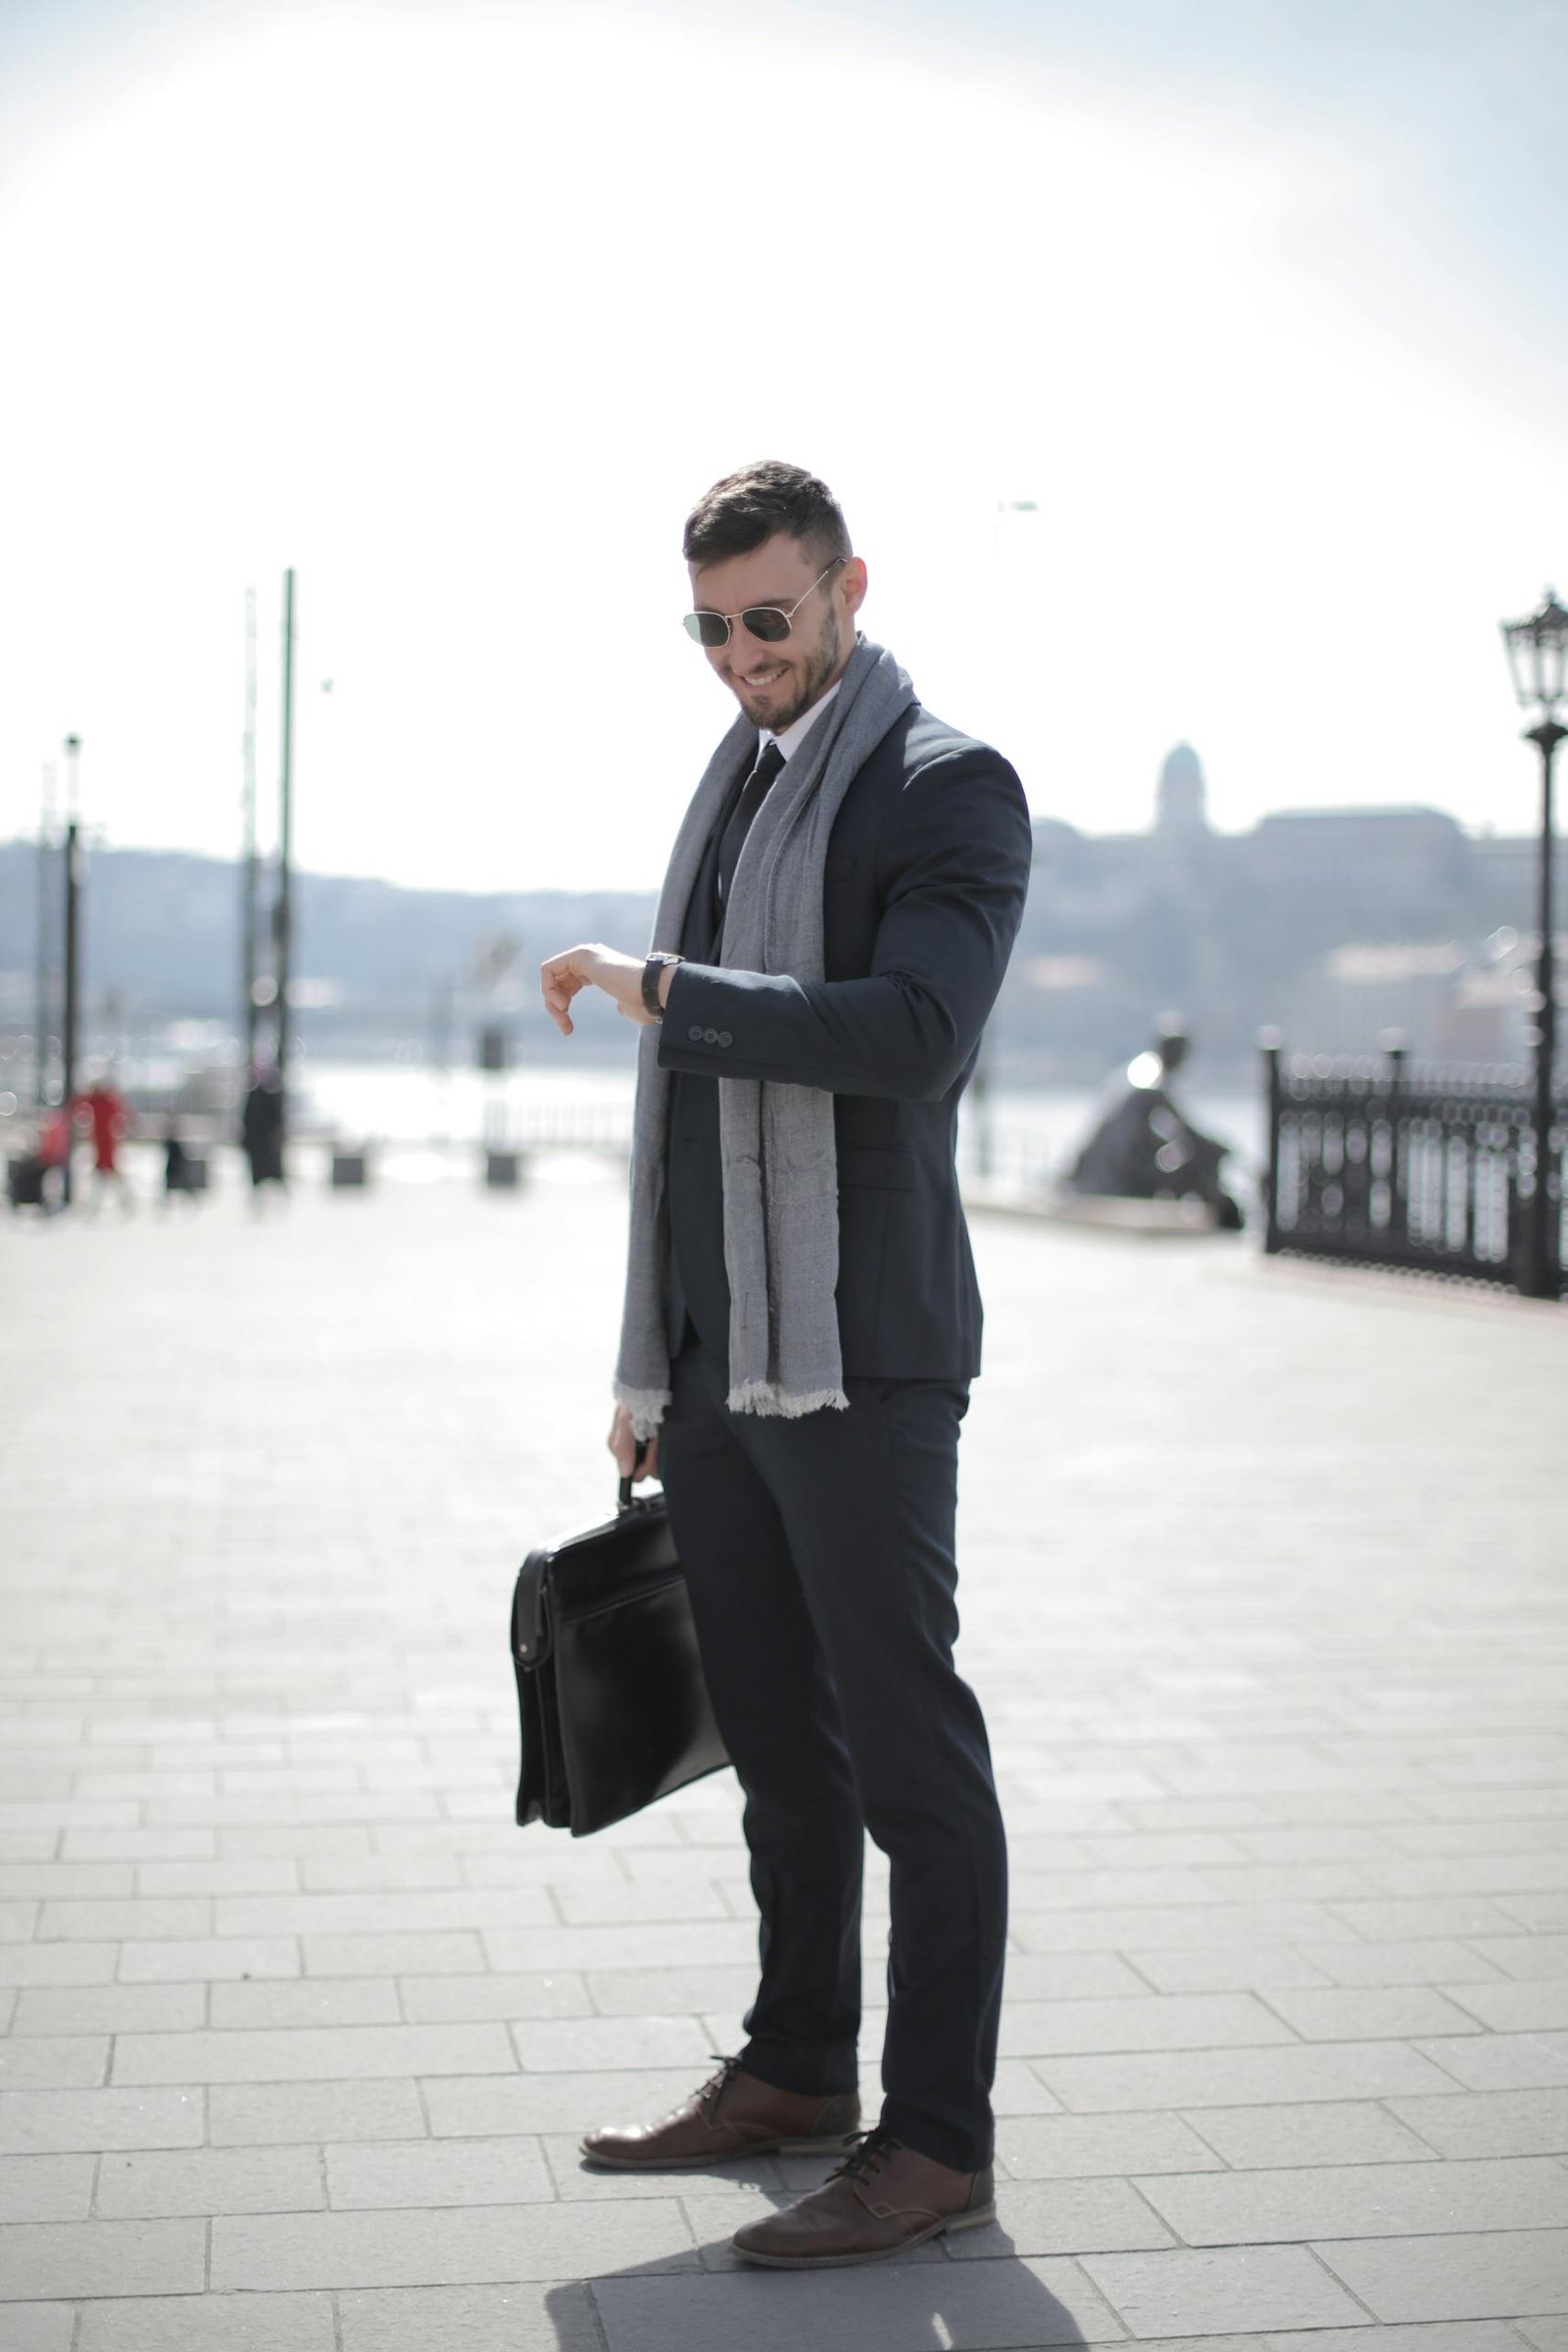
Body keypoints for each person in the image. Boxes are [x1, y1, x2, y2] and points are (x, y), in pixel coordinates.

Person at [540, 462, 1032, 2269]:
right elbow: (695, 1128)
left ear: (845, 590)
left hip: (868, 1357)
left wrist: (667, 983)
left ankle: (938, 2144)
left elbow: (913, 1038)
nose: (741, 654)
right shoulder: (739, 786)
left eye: (771, 616)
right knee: (781, 1749)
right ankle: (796, 2069)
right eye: (713, 628)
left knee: (914, 1760)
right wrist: (651, 1361)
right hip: (723, 1363)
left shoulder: (942, 786)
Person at [78, 1076, 133, 1214]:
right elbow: (79, 1102)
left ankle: (123, 1200)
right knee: (105, 1174)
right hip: (99, 1141)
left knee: (108, 1173)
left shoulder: (107, 1101)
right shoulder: (95, 1100)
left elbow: (122, 1112)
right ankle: (121, 1201)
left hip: (106, 1142)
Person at [240, 1064, 285, 1208]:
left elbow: (276, 1120)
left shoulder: (267, 1096)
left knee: (271, 1171)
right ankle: (259, 1199)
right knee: (260, 1172)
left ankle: (276, 1198)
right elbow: (245, 1120)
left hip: (264, 1143)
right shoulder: (253, 1096)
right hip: (258, 1143)